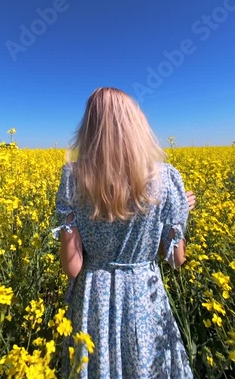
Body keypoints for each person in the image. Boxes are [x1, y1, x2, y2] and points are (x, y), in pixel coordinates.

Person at [52, 87, 196, 378]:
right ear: (137, 125)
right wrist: (180, 213)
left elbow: (72, 267)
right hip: (146, 295)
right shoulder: (167, 179)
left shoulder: (73, 177)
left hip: (94, 297)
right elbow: (177, 260)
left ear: (90, 128)